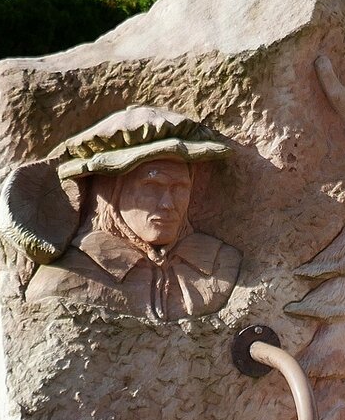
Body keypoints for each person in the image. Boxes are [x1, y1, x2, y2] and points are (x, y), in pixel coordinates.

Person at [24, 105, 240, 322]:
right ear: (111, 194)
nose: (168, 204)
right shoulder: (64, 280)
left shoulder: (223, 264)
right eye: (152, 187)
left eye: (179, 188)